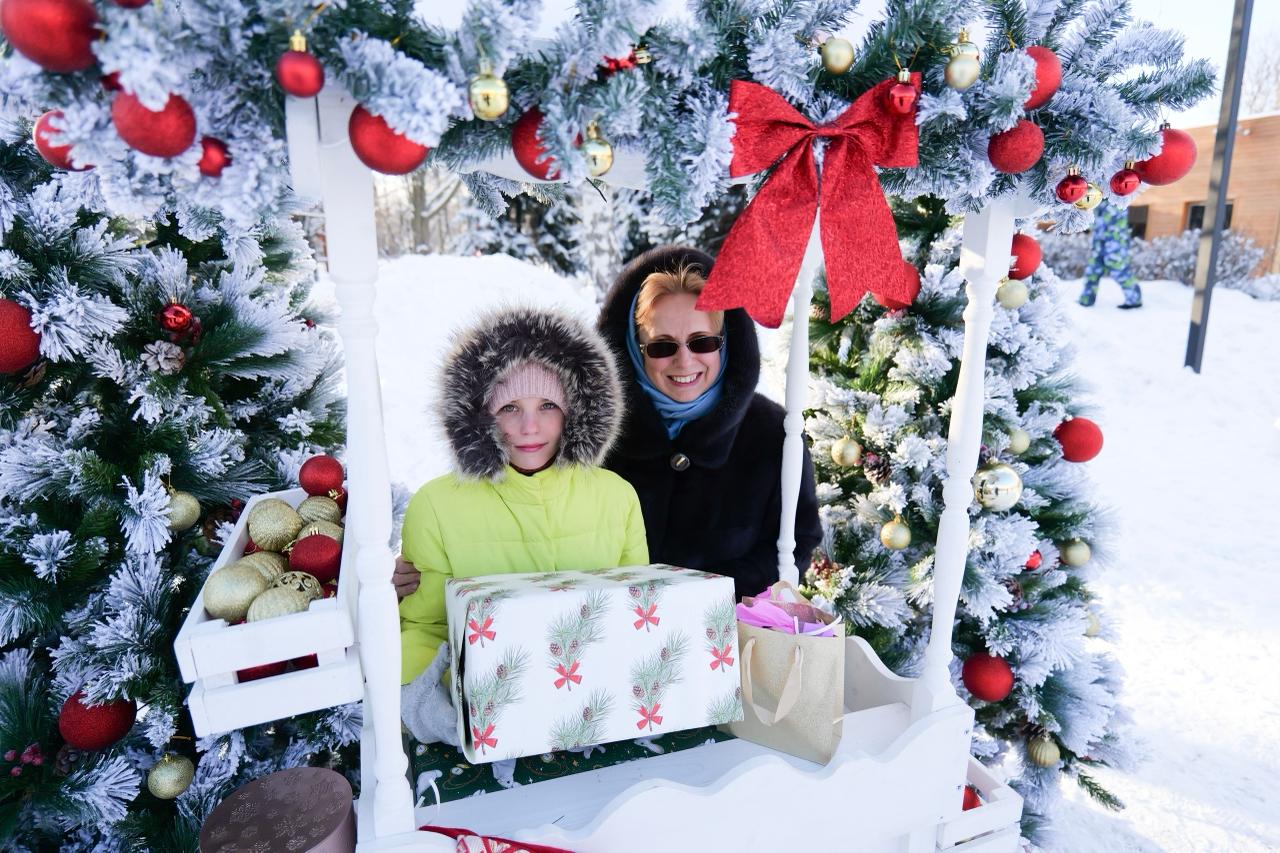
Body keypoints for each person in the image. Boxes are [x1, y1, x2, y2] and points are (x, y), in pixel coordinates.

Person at [397, 306, 649, 746]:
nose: (530, 427)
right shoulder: (436, 506)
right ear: (479, 415)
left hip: (599, 714)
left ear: (576, 411)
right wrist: (426, 698)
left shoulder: (617, 497)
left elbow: (636, 614)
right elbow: (426, 626)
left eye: (548, 405)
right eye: (509, 407)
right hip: (487, 722)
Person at [596, 245, 822, 600]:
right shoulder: (597, 437)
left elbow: (794, 544)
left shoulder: (771, 435)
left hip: (727, 629)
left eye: (701, 342)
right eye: (661, 346)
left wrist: (705, 599)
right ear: (634, 349)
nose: (684, 361)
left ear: (725, 342)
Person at [1079, 201, 1142, 309]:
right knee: (1092, 271)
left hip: (1115, 245)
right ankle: (1086, 299)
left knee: (1120, 272)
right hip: (1099, 244)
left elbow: (1109, 220)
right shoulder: (1098, 199)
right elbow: (1095, 220)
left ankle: (1134, 299)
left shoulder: (1117, 200)